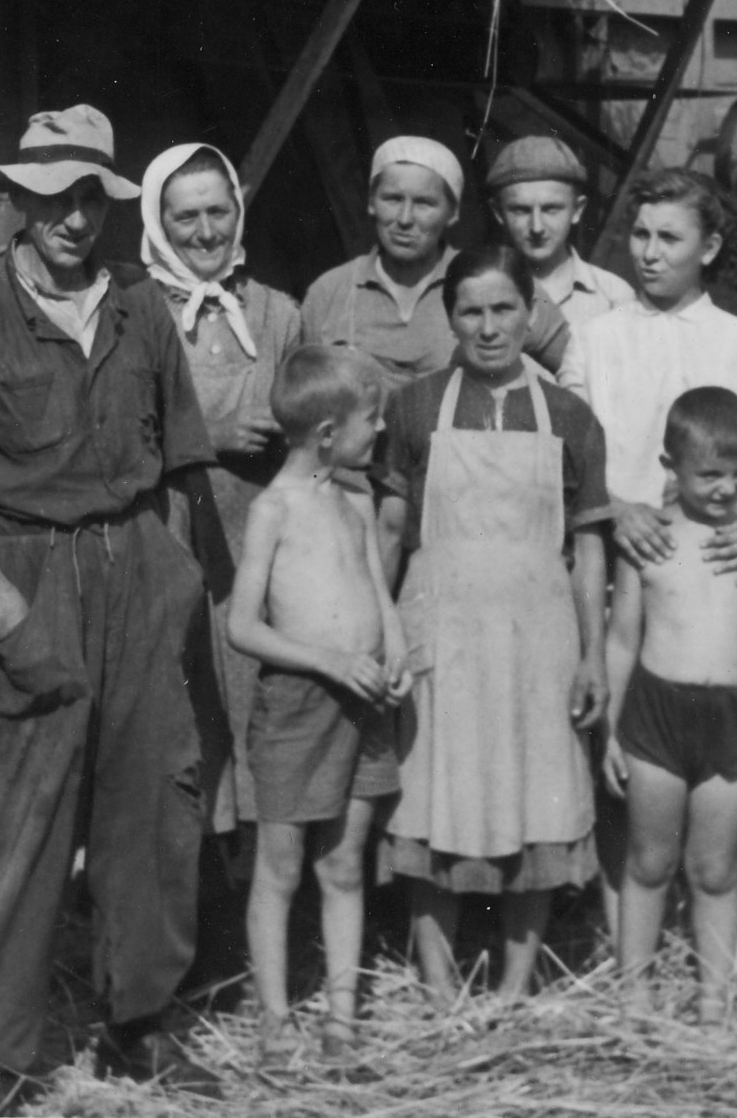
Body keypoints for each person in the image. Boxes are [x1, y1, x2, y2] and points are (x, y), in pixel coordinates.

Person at [0, 105, 223, 1114]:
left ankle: (137, 1026)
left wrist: (171, 584)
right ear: (18, 199)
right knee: (11, 832)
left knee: (153, 814)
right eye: (54, 197)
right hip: (18, 580)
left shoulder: (139, 304)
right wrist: (12, 619)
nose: (75, 217)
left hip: (135, 575)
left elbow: (179, 467)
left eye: (92, 198)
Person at [558, 168, 737, 943]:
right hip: (623, 566)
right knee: (627, 770)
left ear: (710, 246)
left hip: (725, 575)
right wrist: (617, 506)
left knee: (719, 804)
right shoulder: (595, 340)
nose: (650, 252)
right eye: (640, 234)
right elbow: (567, 460)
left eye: (670, 237)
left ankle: (711, 952)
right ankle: (625, 948)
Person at [376, 246, 611, 1004]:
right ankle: (439, 985)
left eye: (504, 308)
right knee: (433, 793)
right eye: (470, 311)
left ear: (531, 312)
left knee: (536, 791)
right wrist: (382, 629)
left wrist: (593, 656)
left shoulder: (571, 417)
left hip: (538, 638)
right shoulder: (414, 408)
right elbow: (389, 530)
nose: (488, 328)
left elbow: (590, 549)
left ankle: (513, 986)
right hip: (439, 628)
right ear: (449, 318)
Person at [226, 346, 408, 1063]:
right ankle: (275, 1018)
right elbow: (244, 627)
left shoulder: (355, 501)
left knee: (343, 863)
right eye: (372, 419)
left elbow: (378, 592)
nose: (381, 430)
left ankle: (341, 1016)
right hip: (301, 703)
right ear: (329, 433)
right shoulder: (273, 509)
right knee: (280, 866)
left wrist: (395, 653)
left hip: (365, 700)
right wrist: (330, 661)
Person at [603, 388, 737, 1025]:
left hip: (733, 718)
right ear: (671, 467)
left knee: (715, 869)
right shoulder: (650, 541)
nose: (726, 487)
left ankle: (714, 998)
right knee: (650, 861)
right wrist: (608, 731)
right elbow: (622, 641)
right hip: (656, 716)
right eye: (709, 474)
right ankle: (634, 993)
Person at [139, 142, 305, 832]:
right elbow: (109, 437)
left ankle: (252, 871)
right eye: (186, 217)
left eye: (219, 211)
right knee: (178, 704)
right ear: (157, 222)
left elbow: (312, 439)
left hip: (254, 551)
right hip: (168, 539)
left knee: (254, 703)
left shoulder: (277, 314)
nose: (206, 232)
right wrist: (210, 435)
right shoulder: (134, 311)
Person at [300, 135, 572, 395]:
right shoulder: (330, 291)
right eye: (393, 199)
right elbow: (302, 393)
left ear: (452, 213)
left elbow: (575, 365)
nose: (405, 219)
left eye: (424, 203)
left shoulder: (491, 280)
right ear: (371, 203)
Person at [486, 134, 635, 328]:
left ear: (577, 210)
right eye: (521, 210)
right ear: (498, 213)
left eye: (551, 209)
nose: (537, 227)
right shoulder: (476, 292)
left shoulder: (614, 297)